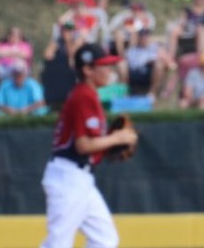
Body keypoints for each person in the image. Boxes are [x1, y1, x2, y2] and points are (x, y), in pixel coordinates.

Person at [39, 42, 136, 248]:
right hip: (68, 176)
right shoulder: (84, 95)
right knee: (58, 243)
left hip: (80, 177)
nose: (109, 70)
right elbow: (83, 146)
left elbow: (89, 145)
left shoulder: (87, 94)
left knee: (105, 239)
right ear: (87, 69)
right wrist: (118, 138)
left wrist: (109, 142)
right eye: (104, 65)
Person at [0, 26, 34, 97]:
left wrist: (5, 53)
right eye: (12, 34)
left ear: (21, 36)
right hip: (2, 67)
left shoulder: (25, 45)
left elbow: (26, 55)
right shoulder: (1, 44)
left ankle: (15, 95)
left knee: (19, 65)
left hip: (16, 69)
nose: (14, 37)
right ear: (8, 36)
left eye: (17, 35)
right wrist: (14, 53)